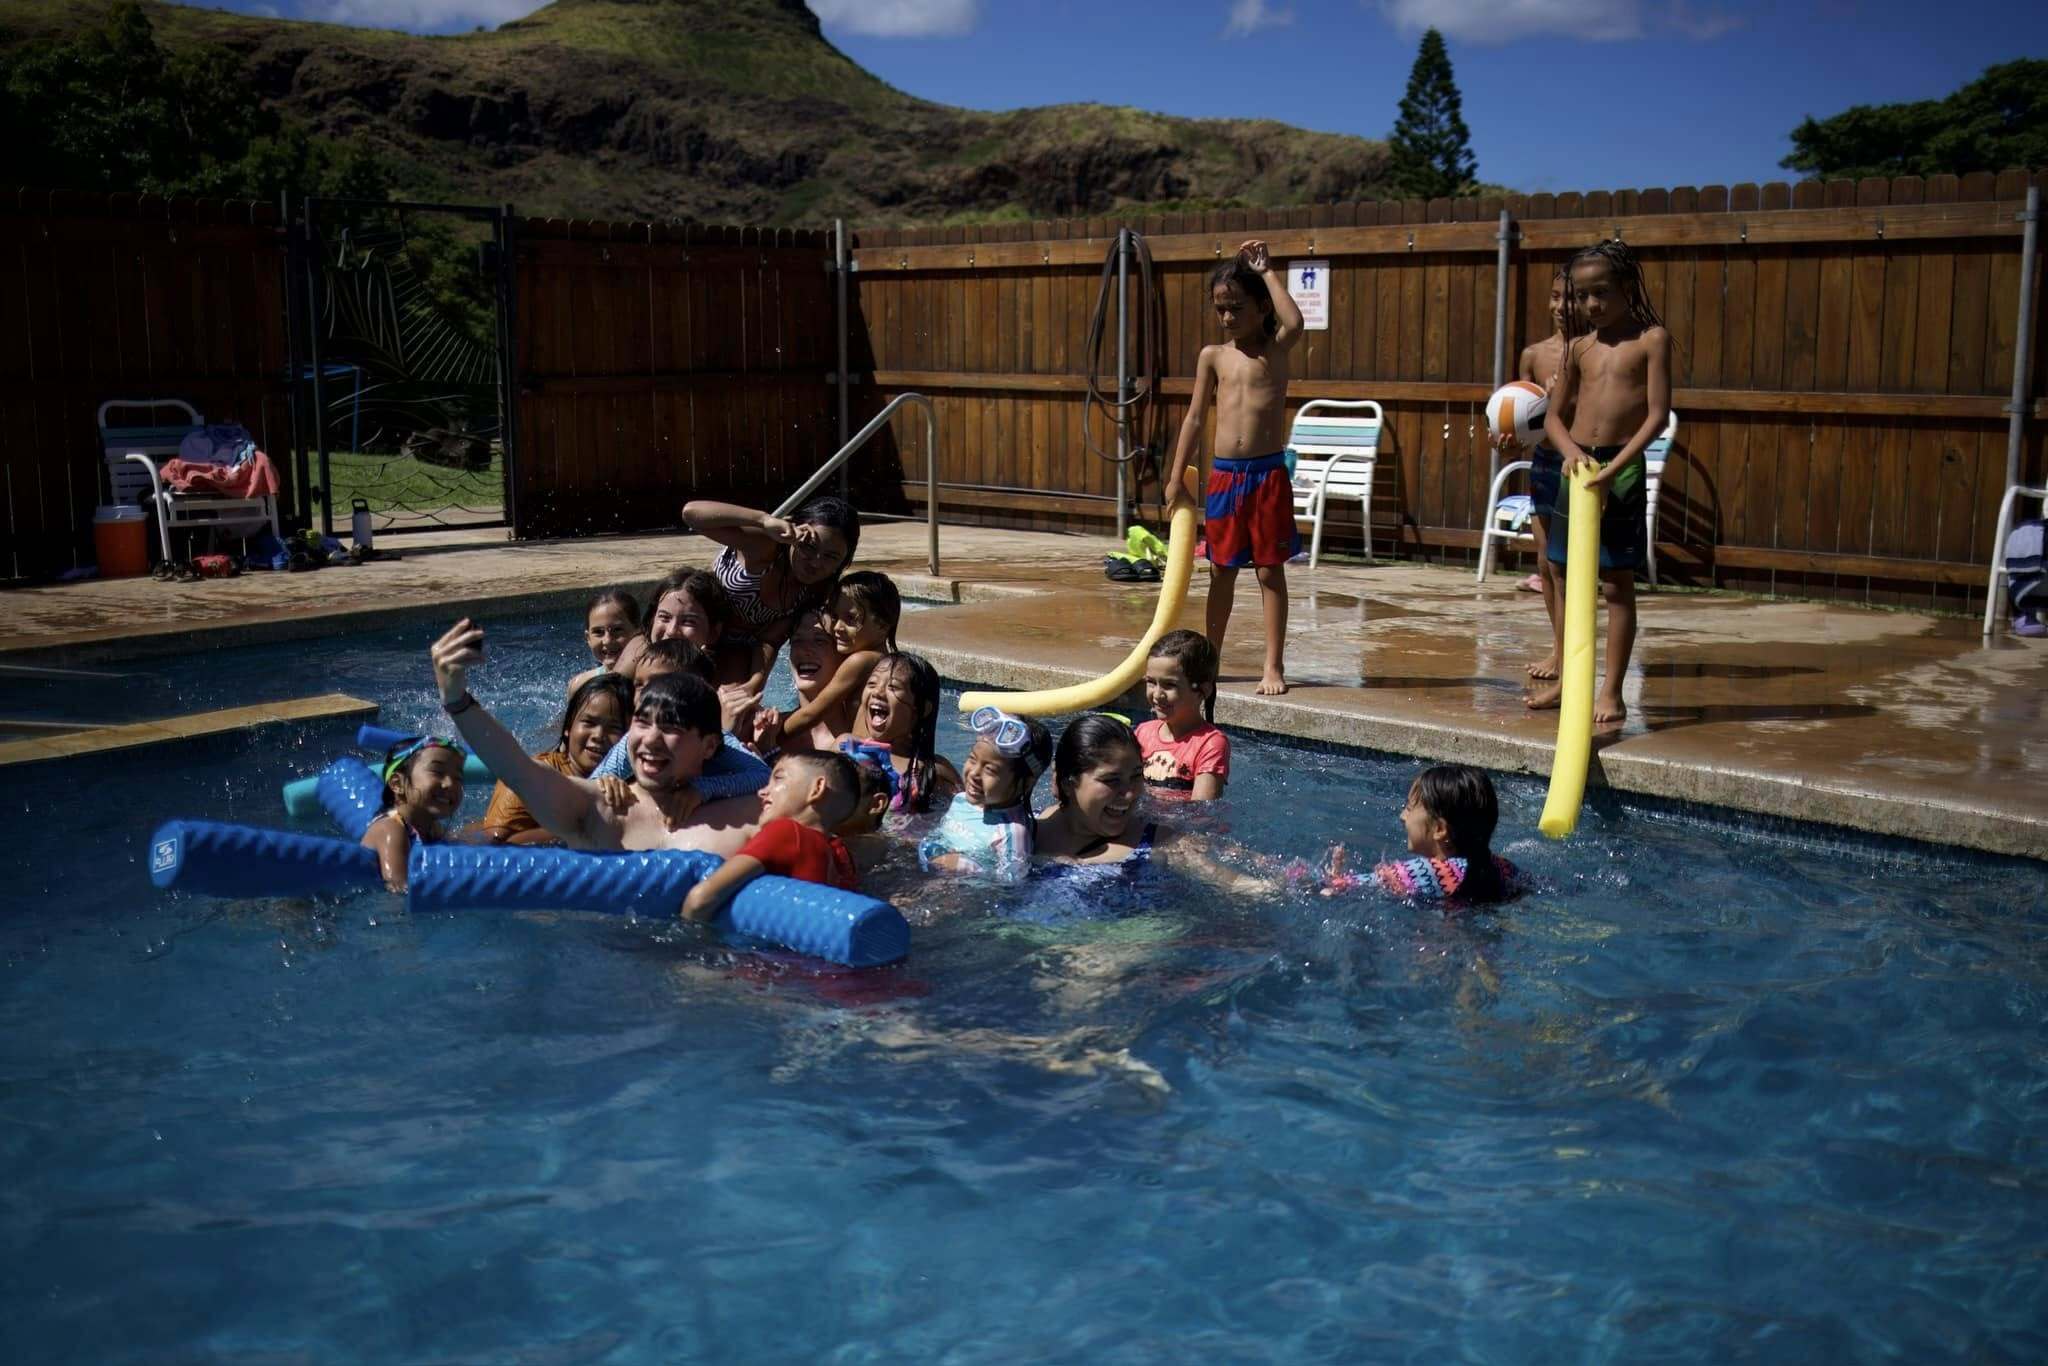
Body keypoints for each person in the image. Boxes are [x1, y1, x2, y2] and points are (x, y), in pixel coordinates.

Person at [428, 618, 762, 855]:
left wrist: (704, 790)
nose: (650, 739)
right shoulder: (598, 808)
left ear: (710, 745)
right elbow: (517, 768)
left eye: (671, 727)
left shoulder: (751, 810)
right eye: (642, 723)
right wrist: (458, 701)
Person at [1531, 240, 1671, 728]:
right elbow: (1553, 418)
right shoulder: (1579, 347)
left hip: (1622, 467)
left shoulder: (1651, 339)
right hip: (1580, 466)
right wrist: (1571, 453)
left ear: (1628, 288)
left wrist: (1614, 471)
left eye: (1602, 293)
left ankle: (1610, 690)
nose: (1592, 305)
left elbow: (1656, 417)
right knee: (1564, 575)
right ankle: (1571, 679)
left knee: (1615, 584)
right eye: (1584, 295)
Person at [1164, 239, 1305, 696]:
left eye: (1236, 308)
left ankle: (1273, 666)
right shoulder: (1213, 356)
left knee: (1269, 572)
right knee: (1221, 571)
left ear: (1261, 307)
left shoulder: (1276, 350)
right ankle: (1211, 660)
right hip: (1225, 476)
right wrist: (1174, 477)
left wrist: (1266, 270)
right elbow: (1194, 418)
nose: (1227, 318)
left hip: (1266, 475)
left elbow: (1295, 320)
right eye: (1220, 309)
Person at [1032, 714, 1268, 895]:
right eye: (1111, 780)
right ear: (1066, 783)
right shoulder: (1025, 830)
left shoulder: (1161, 843)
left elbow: (1239, 885)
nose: (1129, 793)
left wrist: (1278, 884)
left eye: (1136, 776)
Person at [681, 494, 861, 703]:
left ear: (843, 561)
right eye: (809, 546)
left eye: (831, 557)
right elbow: (691, 514)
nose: (816, 562)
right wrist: (763, 520)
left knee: (732, 704)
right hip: (691, 630)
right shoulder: (765, 547)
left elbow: (769, 642)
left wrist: (755, 684)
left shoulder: (817, 588)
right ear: (795, 532)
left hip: (734, 648)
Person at [679, 752, 862, 921]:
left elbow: (700, 899)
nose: (762, 791)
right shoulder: (841, 854)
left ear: (817, 788)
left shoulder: (786, 832)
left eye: (778, 778)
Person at [1497, 266, 1572, 681]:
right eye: (1555, 297)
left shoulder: (1593, 352)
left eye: (1570, 298)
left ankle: (1572, 656)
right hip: (1545, 464)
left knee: (1572, 568)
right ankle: (1560, 650)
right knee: (1546, 565)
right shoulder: (1534, 354)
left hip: (1578, 465)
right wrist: (1507, 439)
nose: (1561, 307)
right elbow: (1523, 423)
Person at [588, 636, 770, 801]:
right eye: (639, 684)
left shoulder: (717, 741)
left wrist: (702, 788)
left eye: (659, 683)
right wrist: (607, 785)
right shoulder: (636, 740)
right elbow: (593, 785)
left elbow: (763, 776)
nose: (645, 693)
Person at [756, 570, 900, 753]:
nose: (838, 627)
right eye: (836, 618)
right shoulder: (891, 666)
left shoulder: (860, 660)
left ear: (883, 625)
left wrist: (773, 737)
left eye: (851, 619)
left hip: (864, 757)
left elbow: (812, 714)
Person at [481, 673, 632, 846]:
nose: (598, 735)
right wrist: (583, 825)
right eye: (589, 723)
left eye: (614, 728)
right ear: (568, 727)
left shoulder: (626, 782)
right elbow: (495, 843)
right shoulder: (533, 777)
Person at [919, 707, 1051, 883]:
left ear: (1025, 783)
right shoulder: (961, 799)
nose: (974, 773)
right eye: (972, 759)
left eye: (990, 769)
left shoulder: (1012, 833)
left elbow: (1011, 886)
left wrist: (969, 868)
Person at [1372, 764, 1519, 905]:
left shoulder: (1415, 872)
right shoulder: (1504, 868)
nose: (1403, 816)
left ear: (1440, 829)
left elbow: (1352, 884)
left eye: (1409, 808)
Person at [854, 651, 959, 814]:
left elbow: (969, 814)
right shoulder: (845, 750)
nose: (877, 692)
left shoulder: (933, 771)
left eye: (893, 687)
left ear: (922, 709)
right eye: (872, 684)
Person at [361, 735, 467, 892]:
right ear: (397, 784)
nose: (450, 784)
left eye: (458, 777)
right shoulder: (390, 829)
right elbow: (397, 890)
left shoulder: (431, 827)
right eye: (437, 772)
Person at [1136, 629, 1229, 800]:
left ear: (1203, 690)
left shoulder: (1210, 743)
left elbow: (1201, 813)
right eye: (1151, 682)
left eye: (1169, 685)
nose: (1157, 694)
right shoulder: (1142, 733)